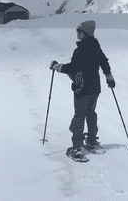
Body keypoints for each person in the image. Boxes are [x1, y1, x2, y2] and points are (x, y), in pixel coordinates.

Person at [49, 20, 115, 160]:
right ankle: (91, 141)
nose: (77, 33)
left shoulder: (80, 50)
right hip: (95, 88)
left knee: (79, 116)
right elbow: (104, 62)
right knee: (91, 113)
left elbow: (72, 68)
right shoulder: (96, 47)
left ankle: (77, 146)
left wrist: (57, 67)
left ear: (85, 33)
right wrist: (109, 76)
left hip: (81, 87)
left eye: (79, 31)